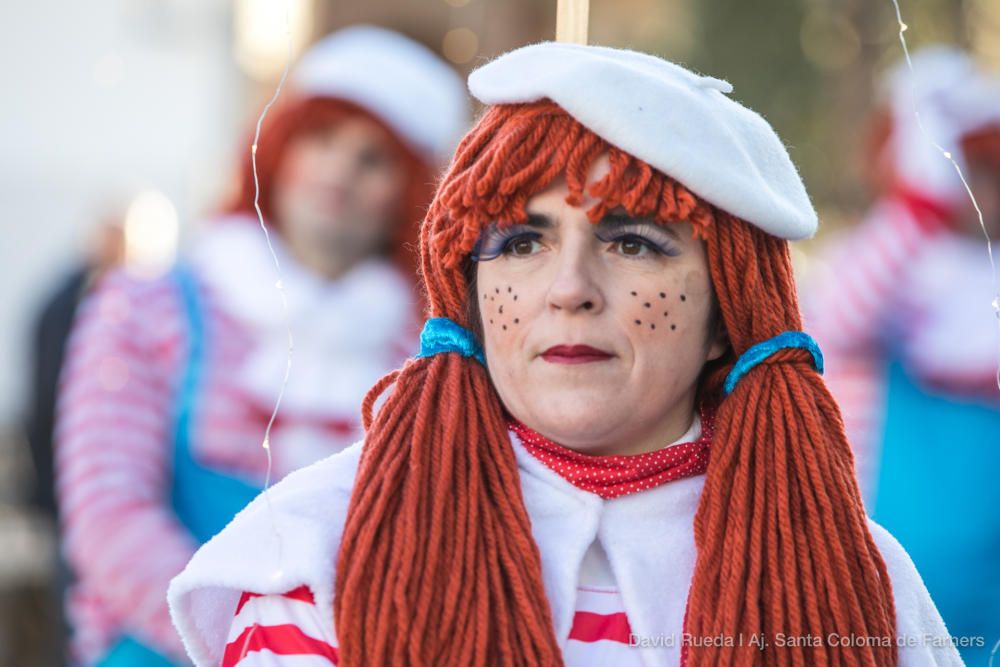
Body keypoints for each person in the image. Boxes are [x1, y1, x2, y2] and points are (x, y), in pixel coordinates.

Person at [169, 43, 961, 666]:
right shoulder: (322, 553)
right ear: (472, 292)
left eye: (632, 242)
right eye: (520, 242)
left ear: (728, 310)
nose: (569, 288)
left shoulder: (849, 576)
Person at [55, 26, 467, 666]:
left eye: (374, 158)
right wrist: (262, 643)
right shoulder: (147, 308)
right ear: (278, 146)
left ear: (411, 192)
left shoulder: (434, 348)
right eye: (321, 138)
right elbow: (108, 520)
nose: (338, 173)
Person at [803, 46, 1000, 664]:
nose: (979, 191)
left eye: (990, 170)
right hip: (876, 601)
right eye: (965, 168)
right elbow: (832, 317)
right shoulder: (880, 269)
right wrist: (917, 207)